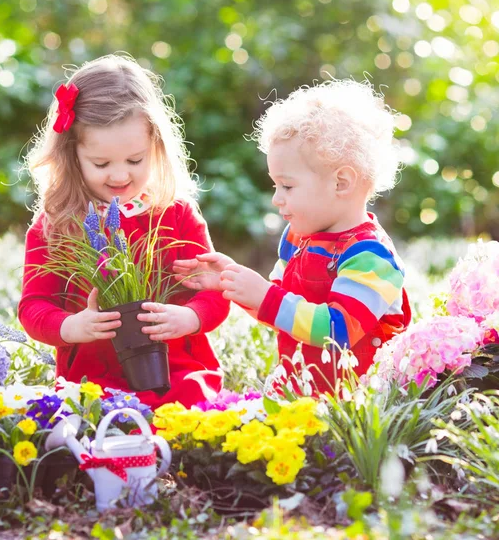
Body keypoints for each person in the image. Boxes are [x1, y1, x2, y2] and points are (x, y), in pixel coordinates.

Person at [174, 79, 411, 393]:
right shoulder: (298, 237)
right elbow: (283, 311)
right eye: (275, 185)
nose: (276, 198)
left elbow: (336, 330)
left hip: (355, 407)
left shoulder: (370, 256)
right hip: (301, 390)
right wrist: (233, 283)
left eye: (287, 186)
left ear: (341, 183)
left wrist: (265, 296)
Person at [18, 54, 229, 408]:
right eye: (101, 164)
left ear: (157, 147)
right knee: (90, 417)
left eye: (135, 160)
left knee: (189, 405)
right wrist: (71, 327)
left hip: (177, 373)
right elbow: (33, 306)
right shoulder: (56, 225)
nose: (119, 176)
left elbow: (213, 290)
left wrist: (190, 318)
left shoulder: (174, 213)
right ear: (72, 156)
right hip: (92, 381)